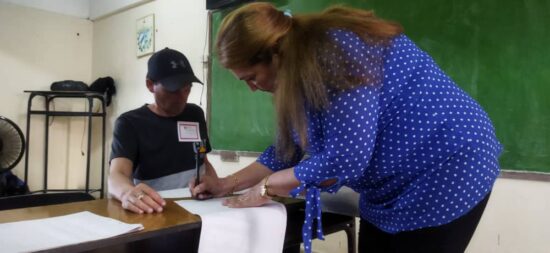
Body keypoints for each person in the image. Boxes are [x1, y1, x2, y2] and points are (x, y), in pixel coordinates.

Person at [191, 3, 502, 253]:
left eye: (251, 77)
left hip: (449, 167)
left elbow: (346, 159)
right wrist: (226, 184)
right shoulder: (294, 74)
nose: (252, 89)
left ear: (275, 53)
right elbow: (284, 150)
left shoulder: (337, 53)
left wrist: (265, 188)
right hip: (389, 187)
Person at [109, 48, 215, 214]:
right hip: (156, 210)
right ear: (150, 85)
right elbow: (117, 173)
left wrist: (214, 185)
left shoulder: (195, 114)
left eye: (187, 89)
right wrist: (126, 193)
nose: (182, 97)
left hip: (199, 209)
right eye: (173, 90)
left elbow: (204, 162)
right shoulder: (130, 123)